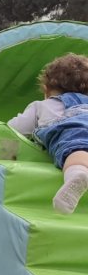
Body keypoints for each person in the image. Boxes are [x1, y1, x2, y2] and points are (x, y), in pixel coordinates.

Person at [8, 53, 88, 214]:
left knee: (77, 148)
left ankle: (78, 173)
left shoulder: (42, 105)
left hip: (72, 131)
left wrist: (8, 155)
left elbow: (13, 129)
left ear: (46, 90)